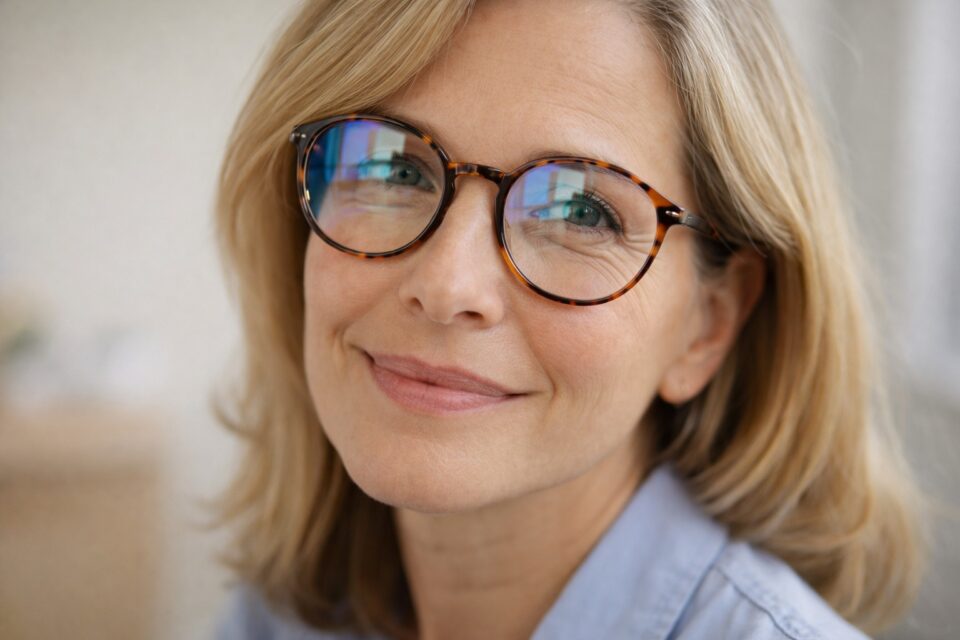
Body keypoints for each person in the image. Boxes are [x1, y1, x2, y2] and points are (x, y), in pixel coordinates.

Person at [210, 0, 925, 638]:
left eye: (578, 210)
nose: (447, 286)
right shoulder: (277, 618)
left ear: (708, 324)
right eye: (393, 167)